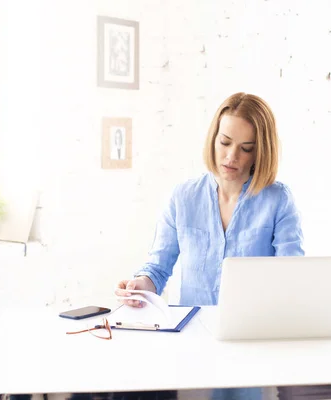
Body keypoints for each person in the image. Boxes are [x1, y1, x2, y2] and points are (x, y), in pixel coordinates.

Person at [115, 92, 304, 307]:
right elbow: (157, 270)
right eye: (225, 142)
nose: (231, 156)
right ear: (214, 139)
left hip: (255, 331)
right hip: (194, 330)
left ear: (259, 152)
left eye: (246, 148)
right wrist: (139, 286)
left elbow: (292, 276)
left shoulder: (278, 201)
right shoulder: (183, 198)